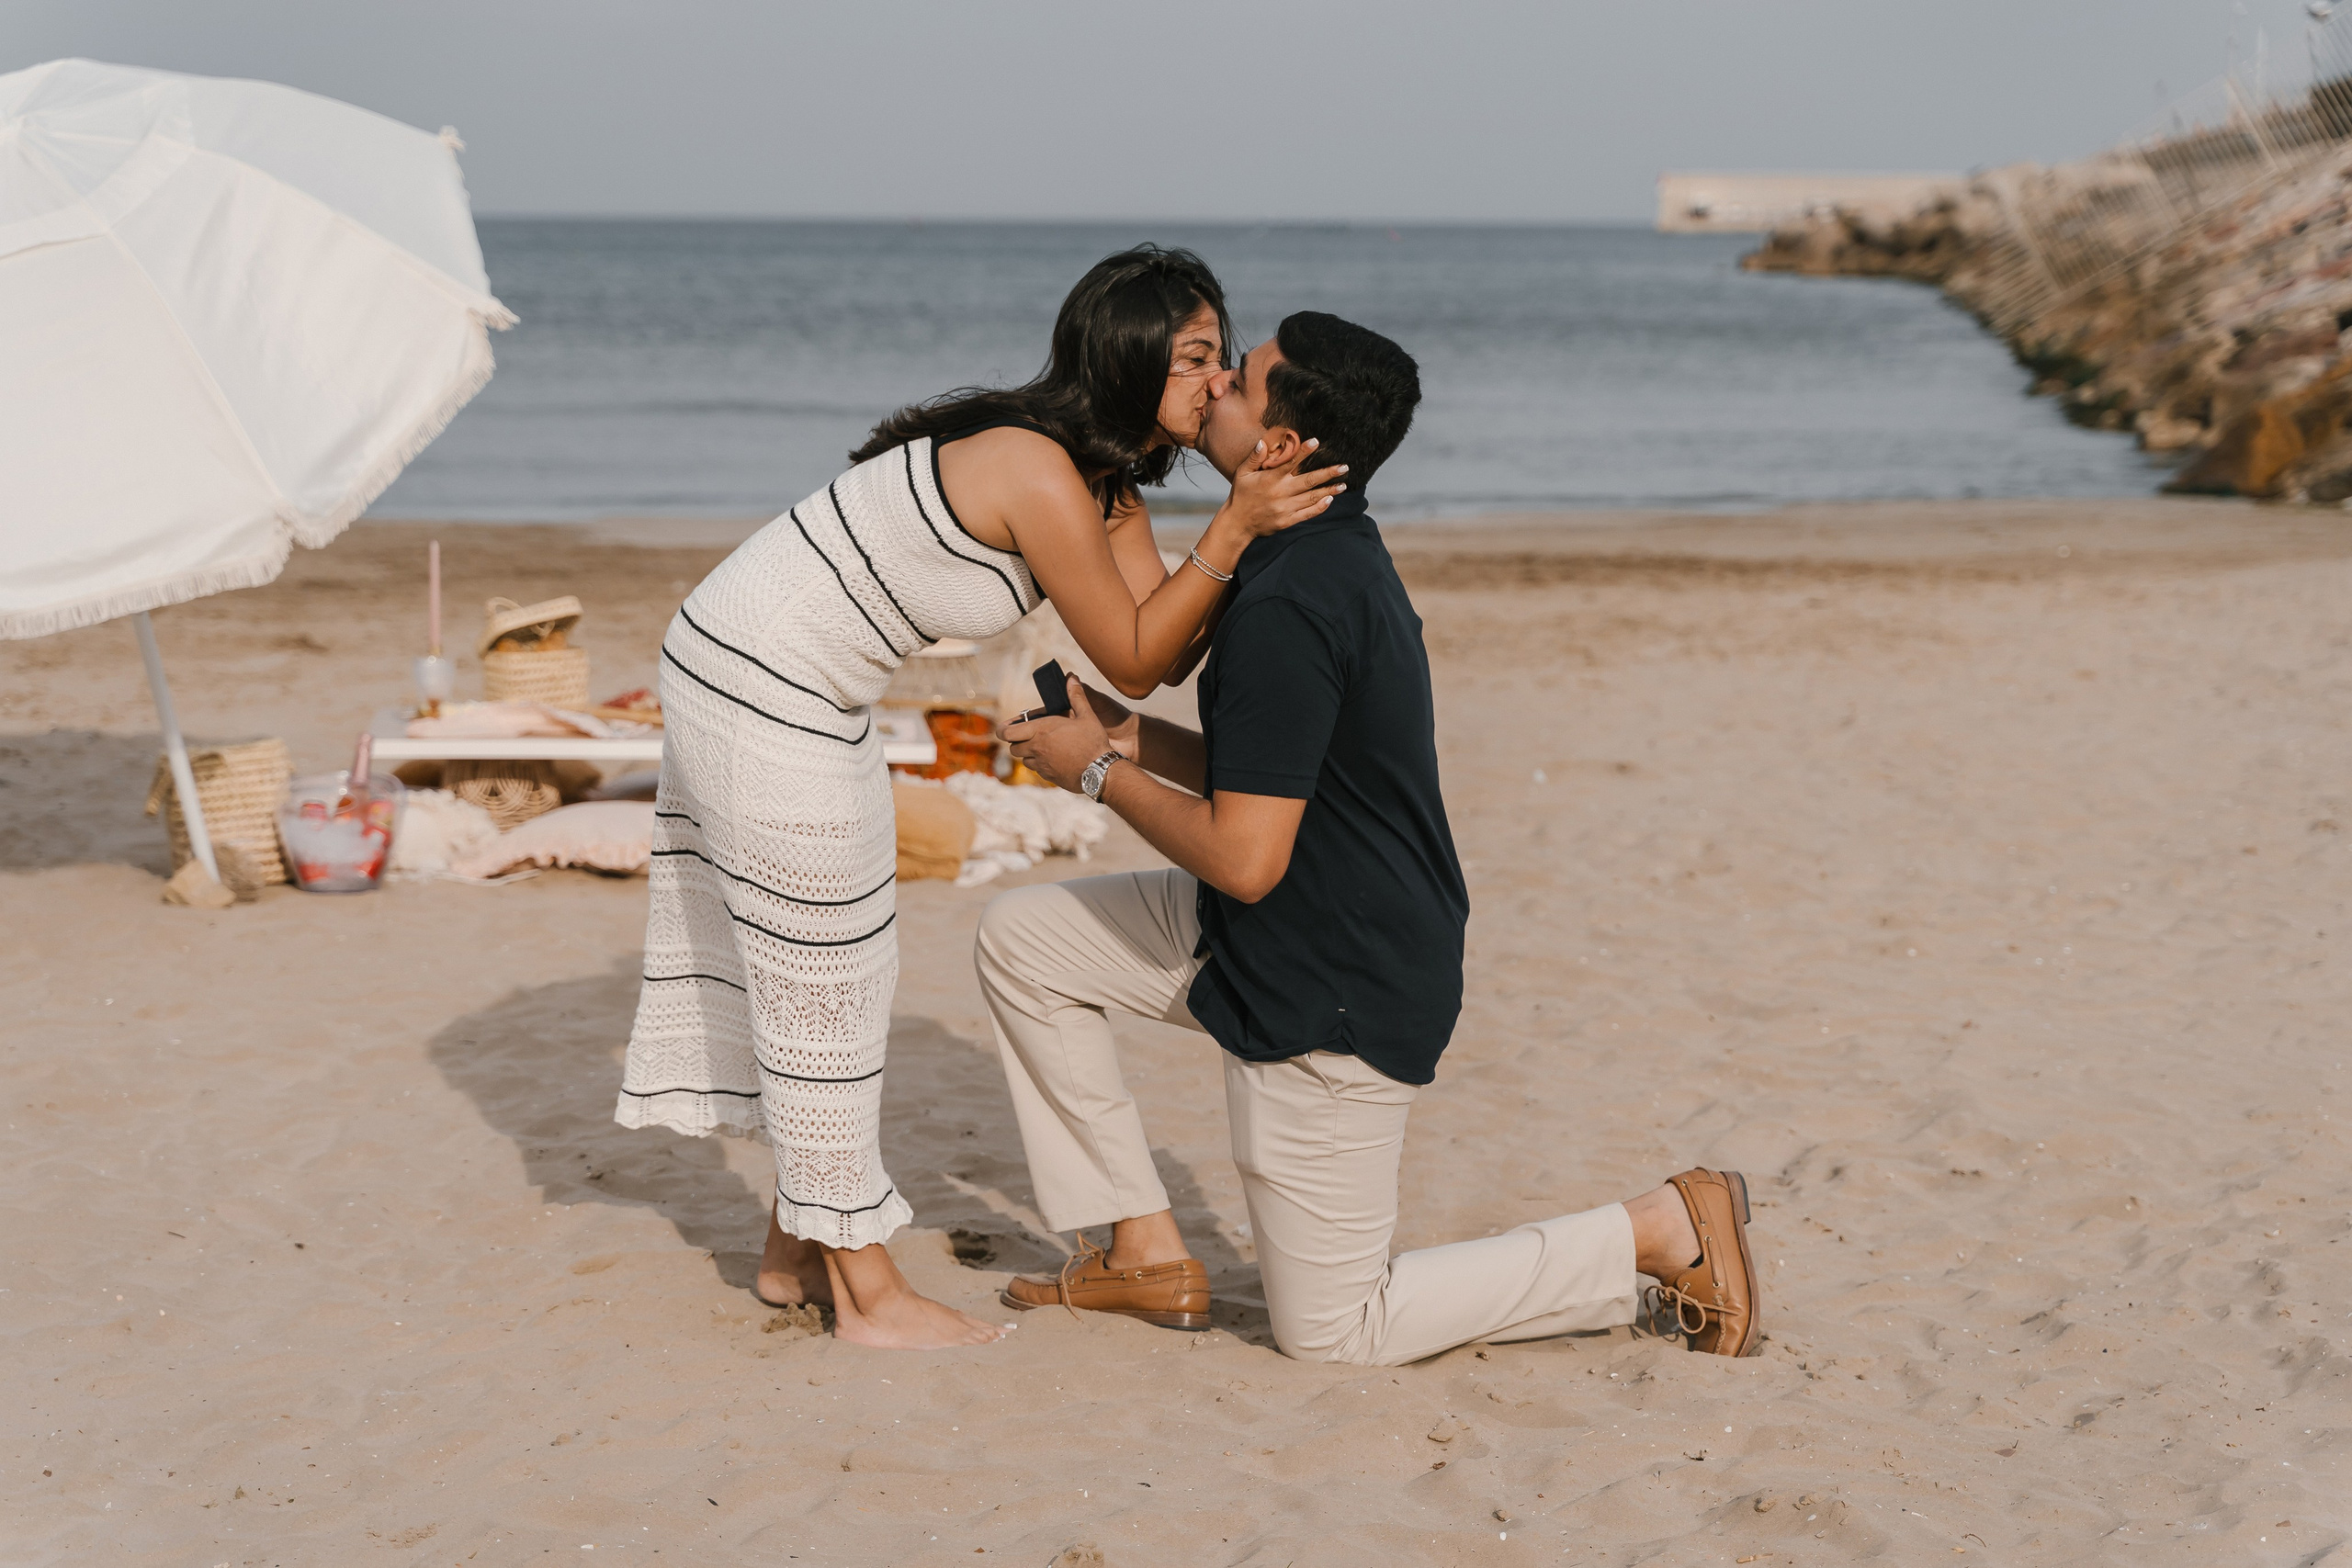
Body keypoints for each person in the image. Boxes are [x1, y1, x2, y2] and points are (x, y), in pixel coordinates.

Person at [979, 311, 1762, 1364]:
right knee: (1026, 942)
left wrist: (1093, 770)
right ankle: (1140, 1247)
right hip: (1284, 920)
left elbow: (1248, 854)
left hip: (1335, 973)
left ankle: (1657, 1227)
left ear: (1283, 447)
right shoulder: (1316, 551)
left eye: (1241, 382)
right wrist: (1133, 734)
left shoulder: (1291, 605)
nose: (1211, 389)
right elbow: (1277, 781)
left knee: (1341, 1333)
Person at [615, 247, 1346, 1350]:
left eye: (1221, 358)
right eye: (1196, 357)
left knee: (845, 958)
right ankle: (868, 1299)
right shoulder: (1035, 468)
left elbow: (1153, 655)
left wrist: (1265, 542)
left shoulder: (1106, 495)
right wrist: (1237, 529)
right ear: (1130, 358)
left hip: (814, 687)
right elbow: (1132, 648)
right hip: (751, 674)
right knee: (824, 973)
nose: (1217, 381)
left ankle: (789, 1260)